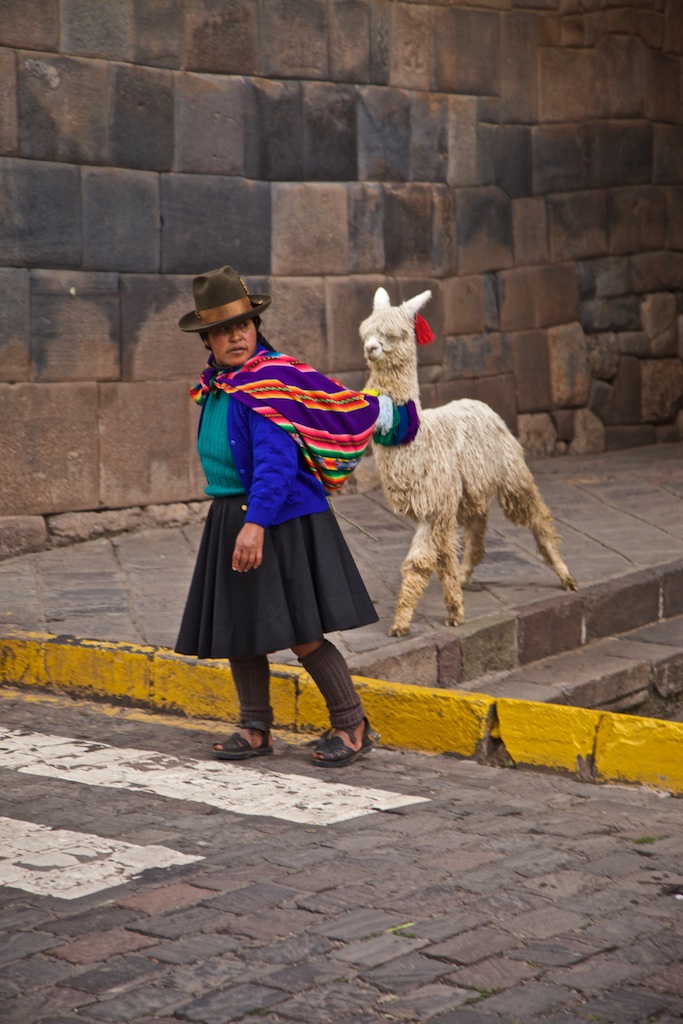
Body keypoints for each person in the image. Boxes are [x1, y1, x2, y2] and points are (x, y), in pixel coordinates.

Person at [175, 265, 380, 767]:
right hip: (234, 514)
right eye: (223, 330)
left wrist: (256, 524)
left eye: (242, 325)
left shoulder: (265, 383)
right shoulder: (223, 385)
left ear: (256, 327)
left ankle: (352, 725)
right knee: (240, 628)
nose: (236, 336)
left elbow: (275, 463)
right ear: (207, 339)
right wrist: (240, 520)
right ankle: (256, 729)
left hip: (276, 518)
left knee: (302, 632)